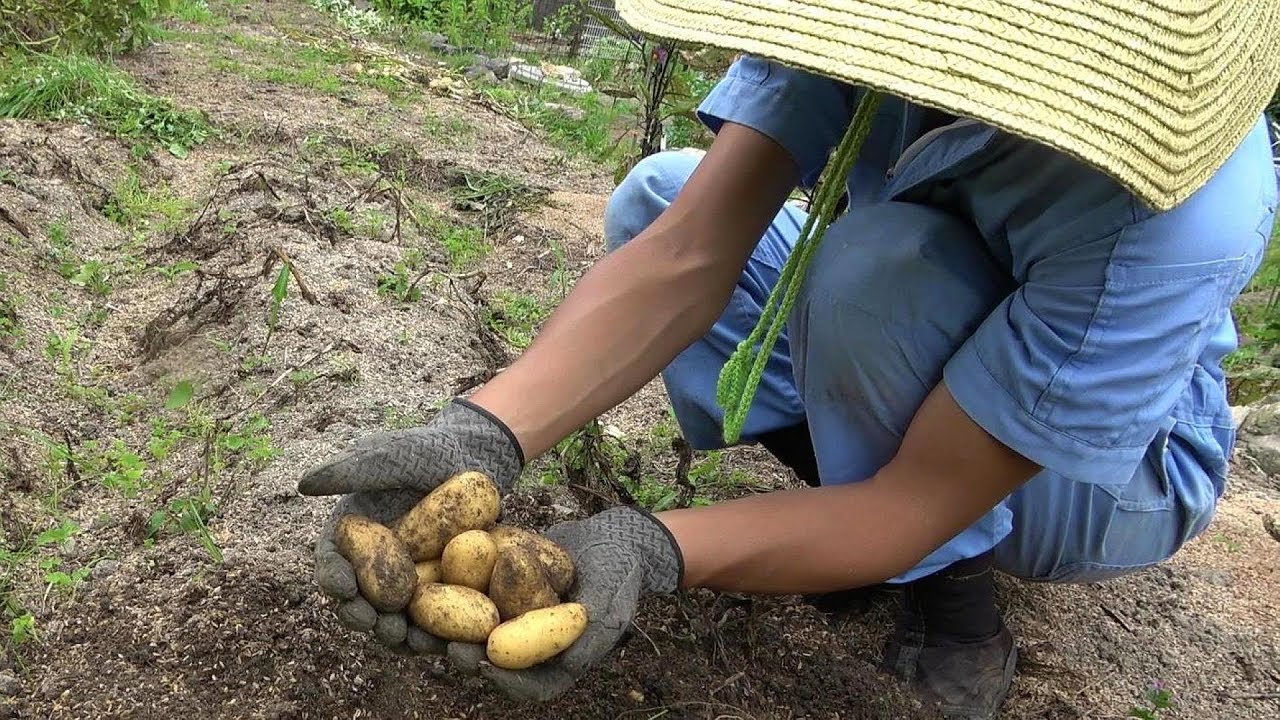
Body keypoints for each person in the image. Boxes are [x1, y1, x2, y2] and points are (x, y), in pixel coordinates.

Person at [297, 2, 1280, 718]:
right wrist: (483, 432)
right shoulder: (875, 25)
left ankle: (957, 610)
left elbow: (916, 498)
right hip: (917, 332)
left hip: (1107, 478)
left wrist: (654, 548)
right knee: (663, 193)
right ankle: (824, 528)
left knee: (876, 273)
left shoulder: (1177, 218)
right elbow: (688, 252)